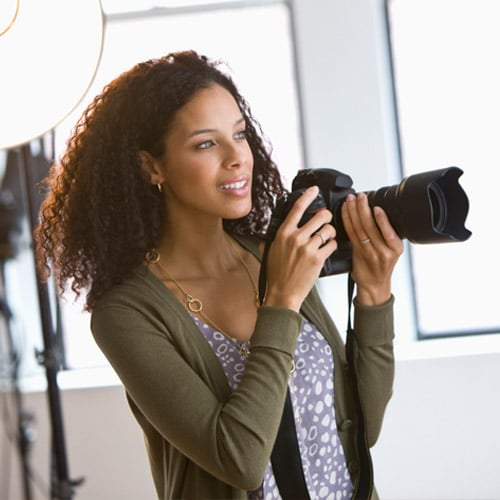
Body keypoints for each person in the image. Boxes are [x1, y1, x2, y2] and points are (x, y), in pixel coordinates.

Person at [35, 51, 403, 499]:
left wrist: (374, 292)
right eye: (206, 143)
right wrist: (281, 301)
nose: (237, 158)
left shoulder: (274, 256)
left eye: (240, 135)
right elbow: (241, 459)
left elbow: (363, 429)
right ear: (151, 166)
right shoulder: (125, 315)